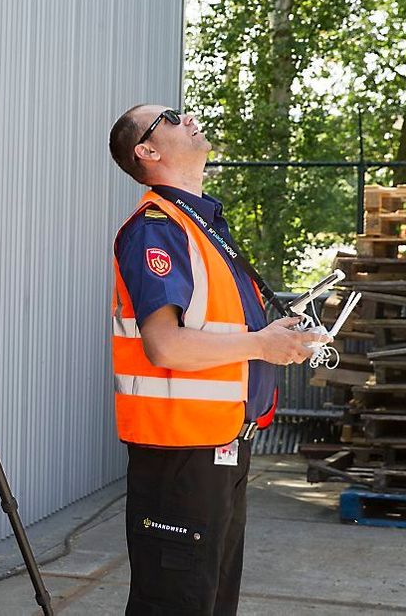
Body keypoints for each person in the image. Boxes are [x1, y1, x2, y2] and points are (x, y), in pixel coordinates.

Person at [107, 104, 326, 615]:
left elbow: (225, 331)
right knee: (177, 601)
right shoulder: (157, 228)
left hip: (222, 444)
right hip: (181, 452)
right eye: (173, 116)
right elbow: (166, 345)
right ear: (148, 151)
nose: (189, 118)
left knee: (209, 599)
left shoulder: (203, 226)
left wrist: (279, 338)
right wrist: (260, 344)